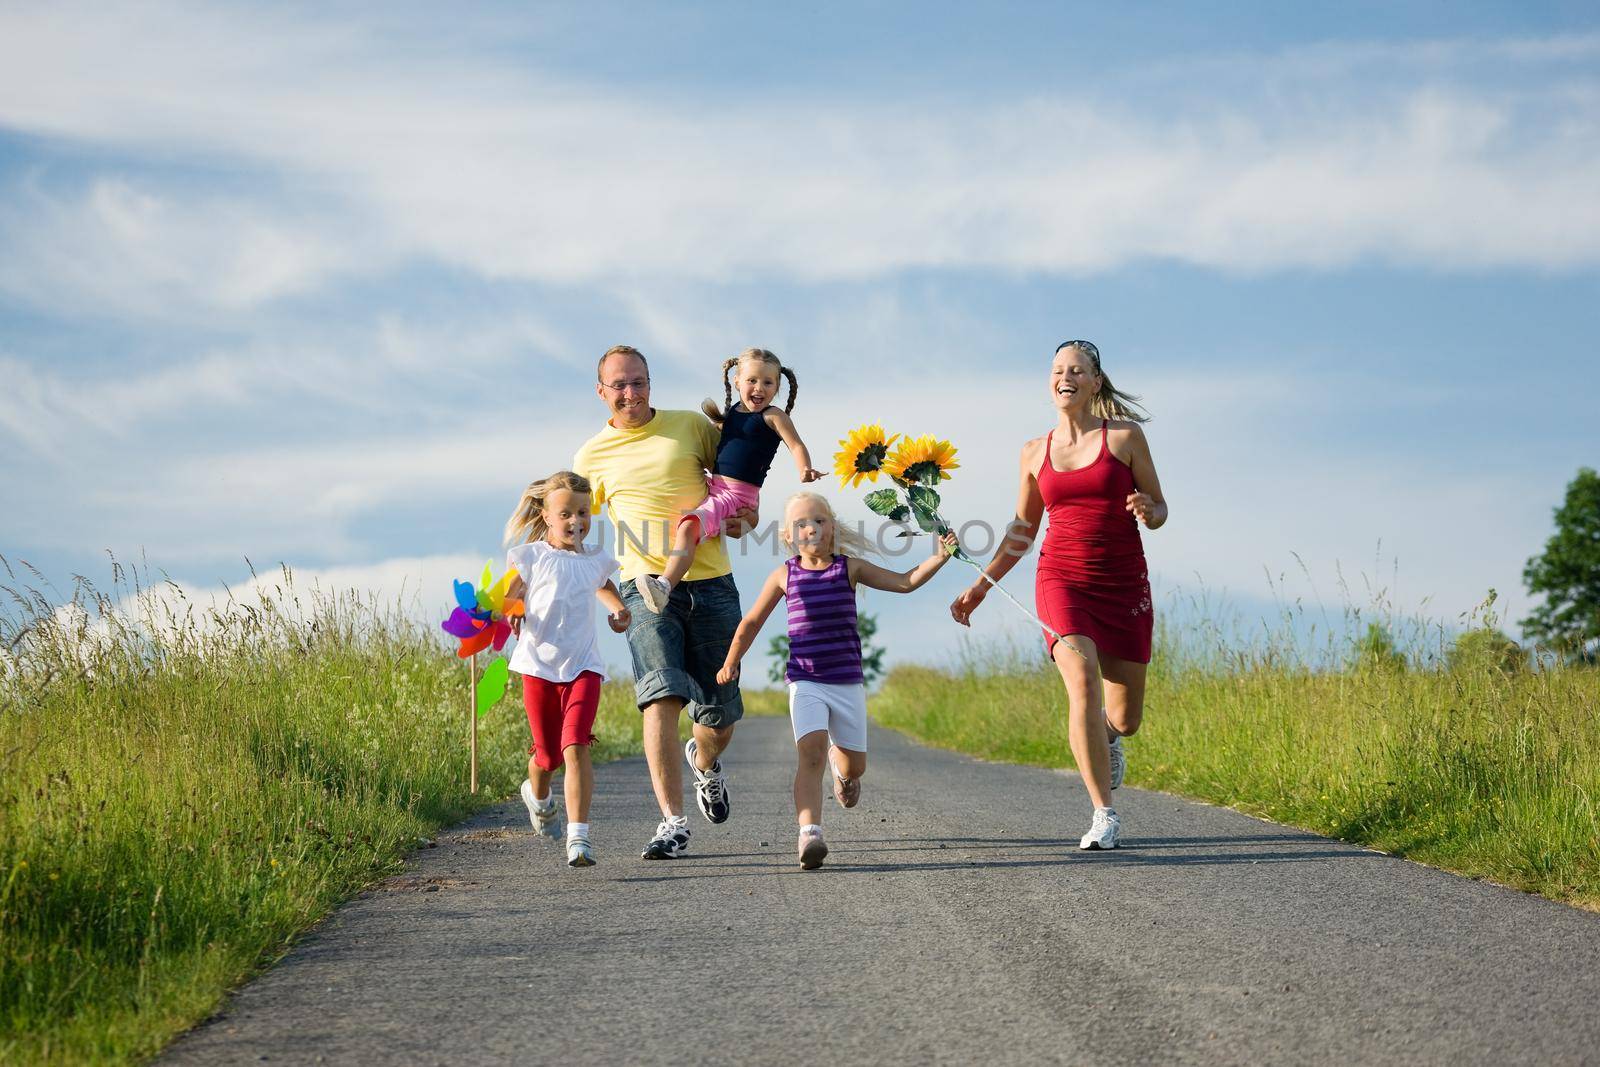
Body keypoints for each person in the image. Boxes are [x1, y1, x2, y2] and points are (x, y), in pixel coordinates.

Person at [949, 339, 1167, 851]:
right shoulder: (1033, 452)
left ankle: (1108, 738)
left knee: (1126, 720)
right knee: (1082, 682)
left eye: (1076, 370)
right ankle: (1103, 814)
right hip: (1060, 580)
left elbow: (1159, 509)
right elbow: (1022, 532)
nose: (1064, 377)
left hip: (1122, 584)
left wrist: (1146, 509)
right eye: (1056, 370)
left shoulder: (1125, 438)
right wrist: (982, 586)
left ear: (1095, 382)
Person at [574, 345, 755, 860]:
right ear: (601, 392)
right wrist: (598, 590)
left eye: (639, 382)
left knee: (719, 714)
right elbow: (576, 531)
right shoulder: (591, 457)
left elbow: (738, 495)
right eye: (619, 385)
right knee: (660, 697)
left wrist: (747, 521)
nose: (630, 393)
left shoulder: (693, 428)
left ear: (650, 383)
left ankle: (704, 762)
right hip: (645, 583)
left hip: (712, 581)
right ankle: (672, 822)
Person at [718, 492, 957, 869]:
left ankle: (843, 774)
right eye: (801, 523)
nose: (811, 528)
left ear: (833, 528)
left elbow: (905, 582)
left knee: (854, 766)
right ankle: (809, 833)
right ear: (788, 536)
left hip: (846, 682)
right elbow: (751, 623)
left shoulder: (849, 569)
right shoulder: (785, 574)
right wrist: (732, 660)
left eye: (819, 520)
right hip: (805, 679)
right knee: (809, 752)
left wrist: (940, 557)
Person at [502, 470, 630, 868]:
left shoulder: (594, 558)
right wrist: (513, 608)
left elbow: (604, 586)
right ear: (545, 514)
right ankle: (538, 796)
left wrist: (619, 610)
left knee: (575, 744)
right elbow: (512, 592)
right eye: (566, 514)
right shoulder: (532, 556)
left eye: (583, 513)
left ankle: (579, 838)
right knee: (547, 757)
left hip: (583, 666)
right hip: (539, 667)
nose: (576, 521)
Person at [635, 347, 822, 613]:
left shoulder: (773, 416)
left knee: (688, 528)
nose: (759, 388)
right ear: (737, 381)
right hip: (718, 489)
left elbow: (796, 445)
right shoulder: (734, 411)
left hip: (736, 496)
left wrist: (805, 469)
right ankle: (669, 578)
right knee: (690, 528)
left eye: (768, 383)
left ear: (777, 386)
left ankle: (664, 586)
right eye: (752, 380)